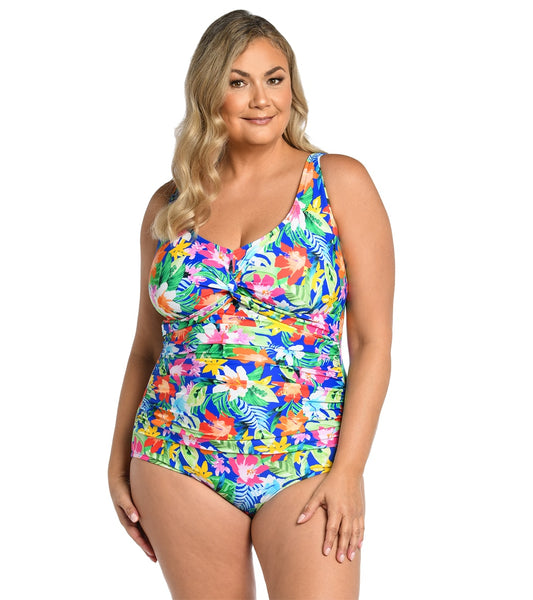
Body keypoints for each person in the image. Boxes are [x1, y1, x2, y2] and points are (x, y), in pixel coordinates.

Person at [108, 9, 394, 600]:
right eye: (239, 82)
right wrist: (116, 461)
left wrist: (350, 471)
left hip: (307, 460)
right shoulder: (171, 205)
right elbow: (145, 348)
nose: (261, 99)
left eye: (275, 78)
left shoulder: (338, 183)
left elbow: (372, 343)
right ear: (209, 93)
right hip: (174, 454)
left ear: (293, 86)